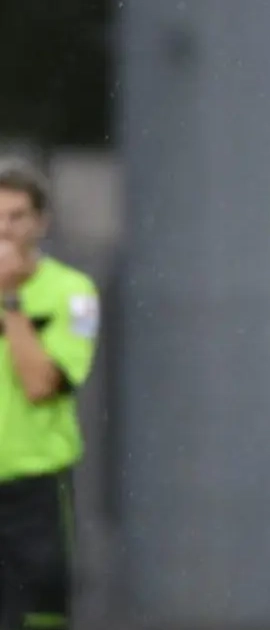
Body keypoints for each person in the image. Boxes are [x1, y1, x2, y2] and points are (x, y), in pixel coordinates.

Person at [0, 159, 101, 630]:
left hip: (36, 488)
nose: (4, 229)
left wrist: (10, 299)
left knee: (40, 615)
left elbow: (42, 385)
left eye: (16, 216)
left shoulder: (72, 293)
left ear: (40, 222)